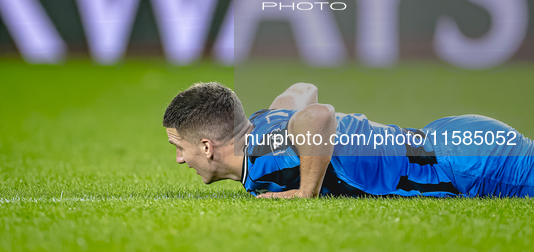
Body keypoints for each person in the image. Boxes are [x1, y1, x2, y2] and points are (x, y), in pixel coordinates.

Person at [163, 82, 534, 198]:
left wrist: (305, 192)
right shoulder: (260, 124)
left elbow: (318, 114)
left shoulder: (263, 154)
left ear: (207, 146)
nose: (180, 159)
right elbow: (300, 91)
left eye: (180, 147)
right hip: (449, 138)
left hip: (468, 162)